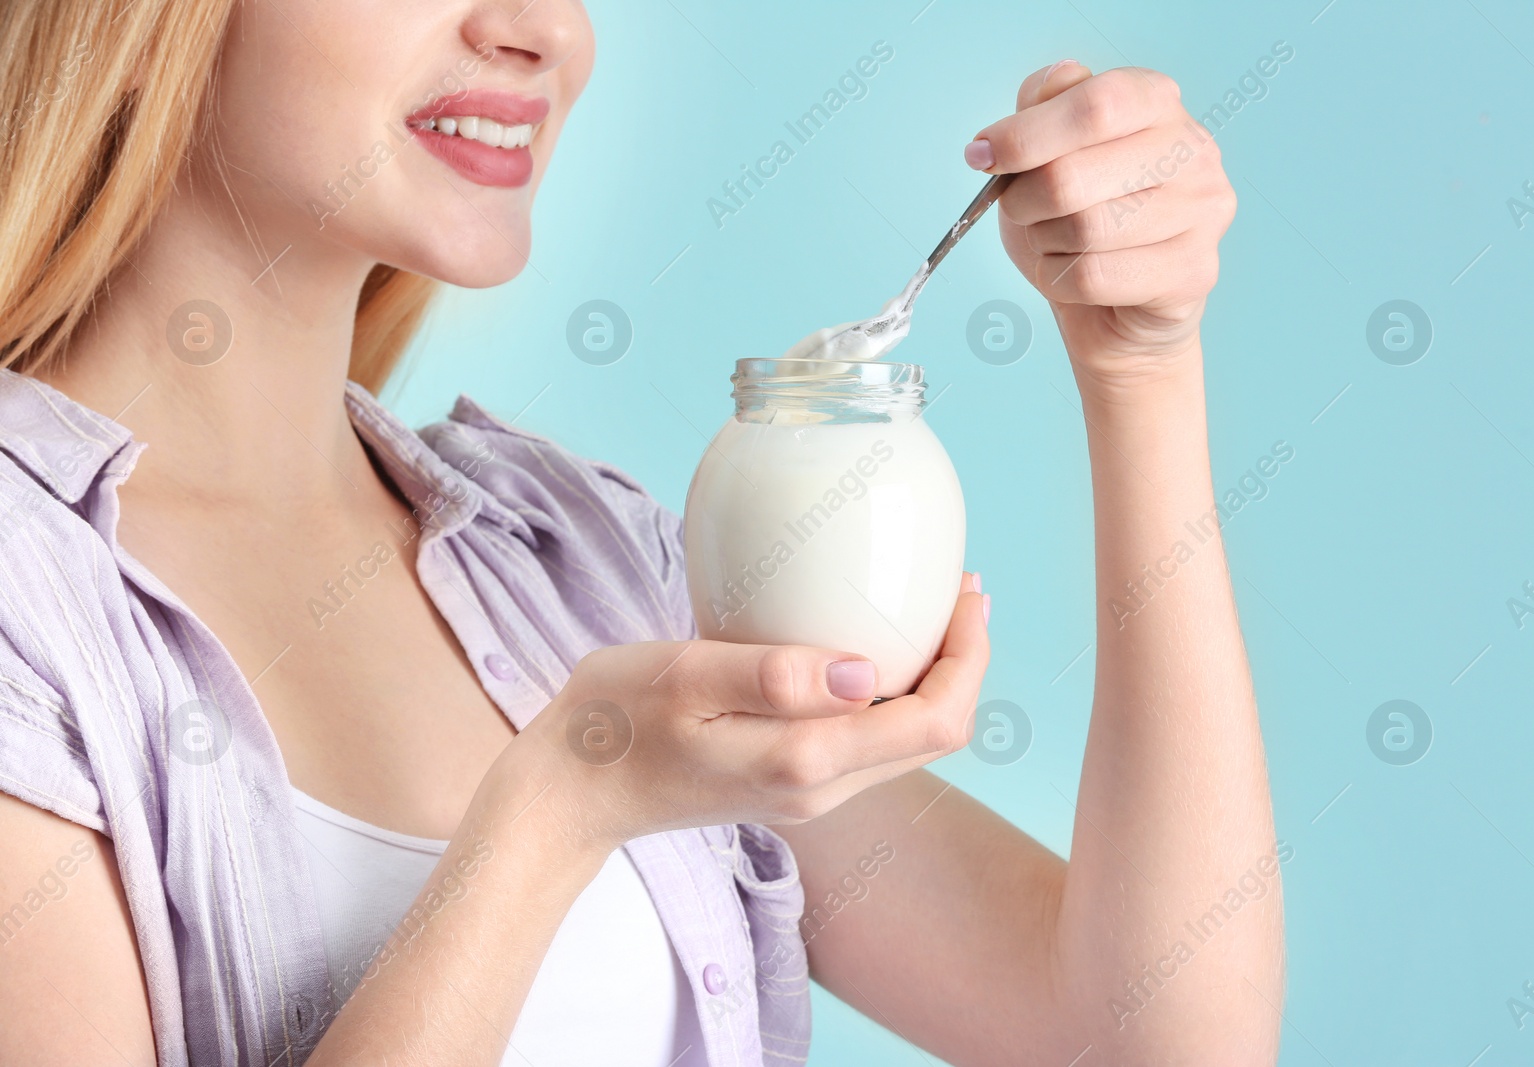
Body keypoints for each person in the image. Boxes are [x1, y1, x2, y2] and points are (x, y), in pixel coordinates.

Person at [0, 1, 1282, 1064]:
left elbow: (1151, 1030)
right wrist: (561, 806)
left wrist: (1141, 370)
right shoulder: (28, 608)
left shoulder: (578, 558)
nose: (542, 29)